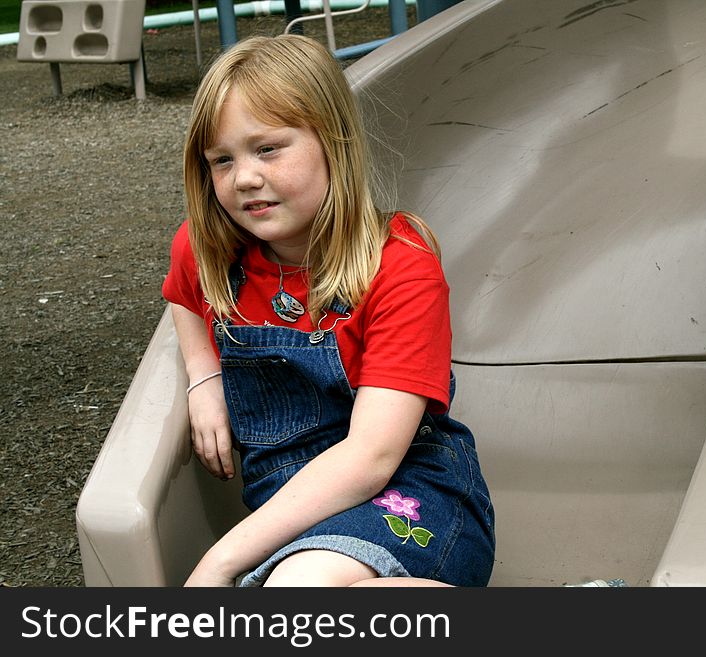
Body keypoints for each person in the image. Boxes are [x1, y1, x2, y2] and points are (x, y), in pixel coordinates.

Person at [161, 34, 495, 587]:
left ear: (333, 142)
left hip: (412, 498)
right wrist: (203, 378)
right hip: (292, 513)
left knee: (299, 587)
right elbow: (183, 298)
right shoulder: (208, 251)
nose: (244, 177)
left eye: (267, 148)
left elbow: (371, 458)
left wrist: (219, 560)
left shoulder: (398, 267)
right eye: (222, 160)